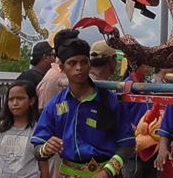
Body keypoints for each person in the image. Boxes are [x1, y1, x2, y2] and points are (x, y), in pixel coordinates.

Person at [31, 29, 135, 178]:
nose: (79, 68)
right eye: (72, 63)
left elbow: (128, 143)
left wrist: (107, 172)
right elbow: (38, 149)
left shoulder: (110, 101)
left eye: (84, 62)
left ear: (90, 64)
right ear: (62, 68)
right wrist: (45, 149)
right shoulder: (55, 105)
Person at [0, 80, 46, 178]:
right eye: (11, 99)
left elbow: (43, 166)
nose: (15, 103)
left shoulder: (37, 129)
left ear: (31, 101)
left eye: (20, 98)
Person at [121, 62, 157, 178]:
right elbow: (120, 117)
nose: (148, 66)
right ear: (135, 65)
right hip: (132, 150)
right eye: (145, 64)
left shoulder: (151, 85)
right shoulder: (125, 86)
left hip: (151, 146)